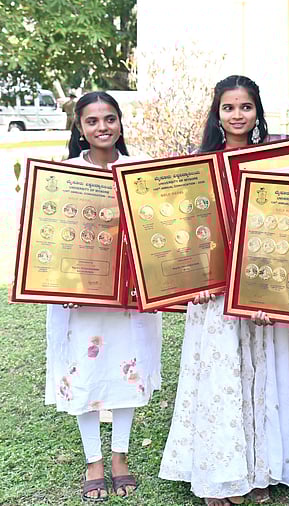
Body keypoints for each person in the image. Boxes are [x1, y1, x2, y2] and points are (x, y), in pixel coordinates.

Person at [159, 75, 289, 505]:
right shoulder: (200, 164)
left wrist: (279, 291)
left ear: (257, 111)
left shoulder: (277, 162)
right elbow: (185, 231)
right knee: (224, 373)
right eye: (229, 108)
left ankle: (264, 467)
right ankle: (220, 470)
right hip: (217, 289)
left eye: (246, 107)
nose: (237, 115)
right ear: (217, 113)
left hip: (265, 287)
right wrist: (194, 282)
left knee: (266, 370)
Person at [46, 91, 163, 501]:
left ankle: (120, 457)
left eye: (109, 119)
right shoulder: (62, 175)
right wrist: (61, 287)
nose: (102, 127)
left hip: (129, 299)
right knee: (86, 376)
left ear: (120, 123)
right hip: (81, 300)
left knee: (125, 373)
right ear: (80, 128)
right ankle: (93, 460)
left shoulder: (139, 171)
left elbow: (156, 235)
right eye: (92, 121)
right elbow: (52, 243)